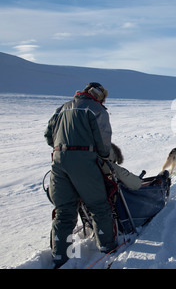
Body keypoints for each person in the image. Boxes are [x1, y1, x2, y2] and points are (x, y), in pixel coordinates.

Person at [44, 82, 116, 268]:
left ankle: (60, 257)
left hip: (58, 162)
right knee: (99, 205)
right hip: (84, 161)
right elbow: (103, 142)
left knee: (64, 211)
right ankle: (107, 247)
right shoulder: (95, 109)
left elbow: (48, 136)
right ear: (99, 95)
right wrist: (104, 156)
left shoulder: (61, 108)